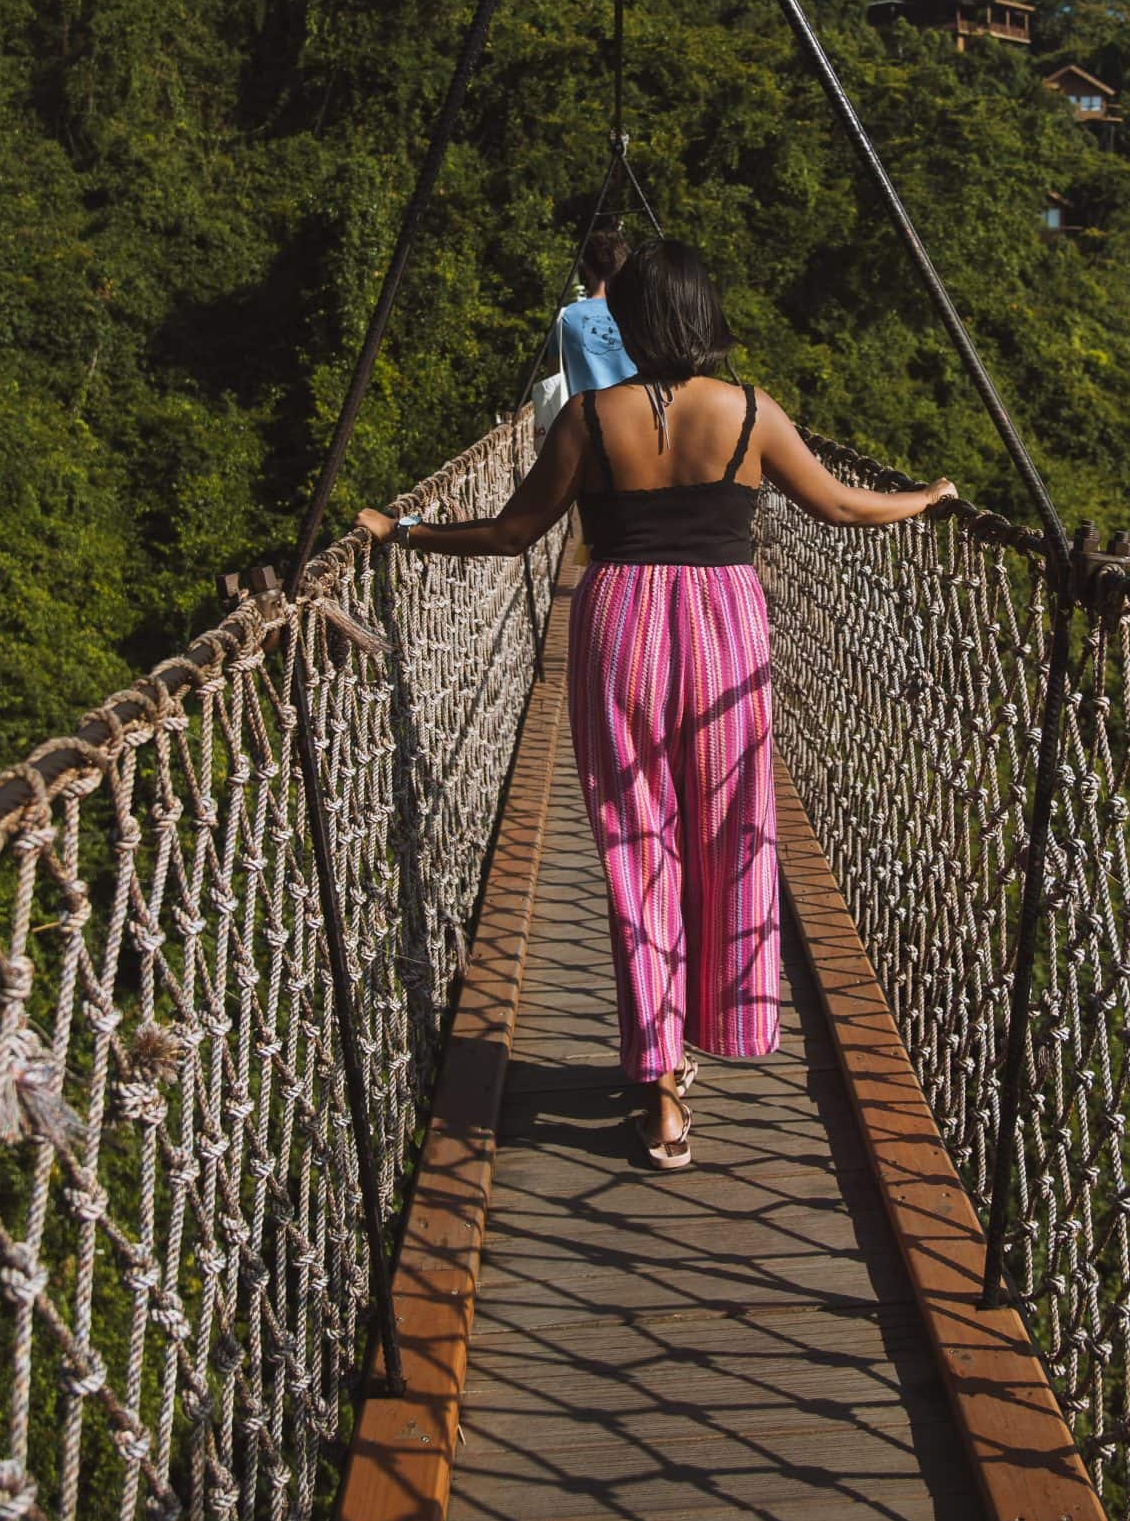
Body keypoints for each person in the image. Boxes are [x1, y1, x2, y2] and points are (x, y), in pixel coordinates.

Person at [357, 241, 955, 1170]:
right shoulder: (750, 410)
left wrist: (407, 530)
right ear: (707, 317)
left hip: (620, 621)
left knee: (637, 847)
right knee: (732, 830)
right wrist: (925, 498)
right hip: (724, 625)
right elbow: (840, 508)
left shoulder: (591, 418)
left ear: (629, 323)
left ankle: (660, 1087)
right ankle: (728, 1021)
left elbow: (515, 533)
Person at [546, 224, 638, 396]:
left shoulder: (565, 318)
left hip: (586, 418)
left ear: (586, 268)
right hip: (638, 417)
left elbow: (553, 380)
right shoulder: (639, 314)